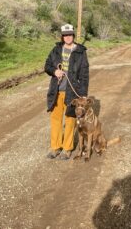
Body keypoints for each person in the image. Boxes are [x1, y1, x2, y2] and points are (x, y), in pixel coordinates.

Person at [44, 23, 89, 160]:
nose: (67, 37)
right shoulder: (56, 50)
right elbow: (47, 65)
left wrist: (83, 94)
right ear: (62, 37)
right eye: (65, 35)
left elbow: (84, 73)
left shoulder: (80, 51)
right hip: (57, 90)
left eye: (70, 35)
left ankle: (67, 149)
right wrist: (54, 70)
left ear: (73, 35)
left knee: (70, 119)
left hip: (72, 91)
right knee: (56, 119)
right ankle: (55, 147)